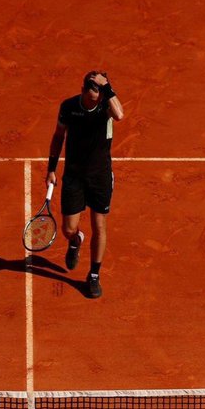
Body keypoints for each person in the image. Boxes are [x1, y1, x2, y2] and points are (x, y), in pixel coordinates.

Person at [45, 71, 124, 299]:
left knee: (99, 225)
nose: (94, 99)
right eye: (91, 94)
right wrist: (51, 169)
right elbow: (59, 136)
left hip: (100, 177)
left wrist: (106, 87)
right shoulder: (69, 106)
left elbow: (119, 114)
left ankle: (94, 275)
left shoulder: (107, 106)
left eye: (98, 94)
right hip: (74, 176)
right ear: (82, 90)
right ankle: (76, 240)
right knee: (68, 229)